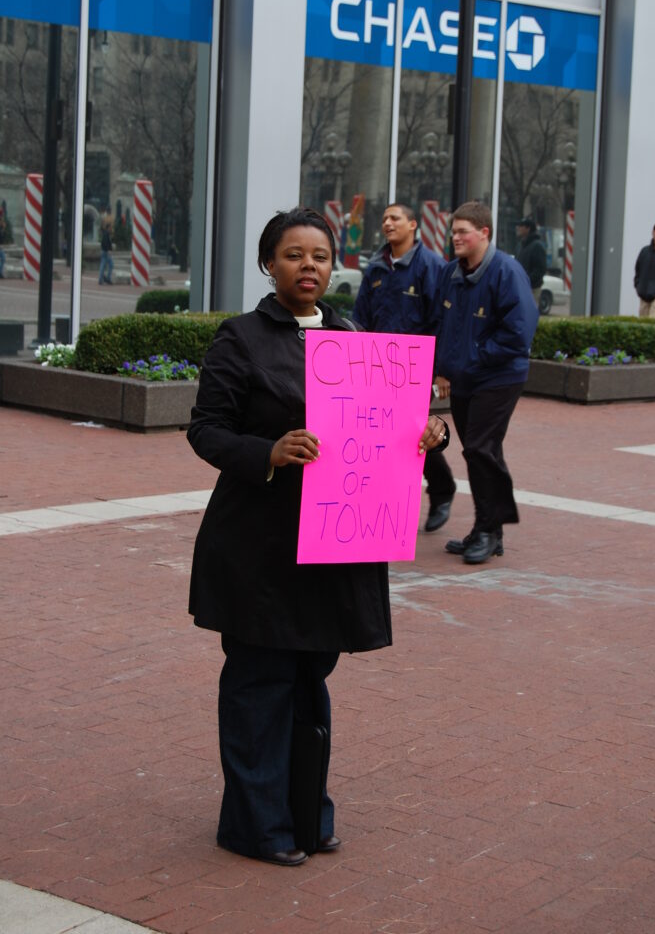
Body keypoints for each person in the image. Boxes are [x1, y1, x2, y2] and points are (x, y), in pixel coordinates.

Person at [187, 206, 448, 867]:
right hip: (260, 546)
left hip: (335, 543)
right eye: (294, 255)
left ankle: (305, 817)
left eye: (321, 256)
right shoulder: (240, 339)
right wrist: (267, 452)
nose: (309, 266)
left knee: (309, 680)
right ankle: (255, 827)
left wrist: (423, 436)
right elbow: (207, 430)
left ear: (335, 267)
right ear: (267, 264)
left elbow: (391, 423)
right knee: (259, 682)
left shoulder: (354, 335)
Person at [434, 201, 539, 565]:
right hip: (465, 377)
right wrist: (441, 367)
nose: (455, 237)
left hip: (498, 377)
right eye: (453, 231)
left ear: (484, 233)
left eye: (463, 231)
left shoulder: (507, 272)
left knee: (479, 447)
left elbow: (518, 333)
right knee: (482, 451)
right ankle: (490, 530)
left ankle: (487, 529)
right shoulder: (451, 273)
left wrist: (470, 360)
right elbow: (441, 324)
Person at [353, 203, 456, 533]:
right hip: (375, 367)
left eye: (394, 218)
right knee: (380, 434)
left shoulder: (431, 268)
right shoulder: (375, 268)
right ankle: (386, 503)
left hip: (414, 369)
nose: (387, 223)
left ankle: (441, 490)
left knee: (412, 433)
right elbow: (360, 318)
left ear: (413, 225)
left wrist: (439, 370)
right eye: (383, 218)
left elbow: (442, 321)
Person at [514, 216, 546, 307]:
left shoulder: (537, 246)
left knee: (529, 317)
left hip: (532, 290)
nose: (518, 228)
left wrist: (526, 282)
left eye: (521, 225)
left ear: (528, 228)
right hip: (520, 288)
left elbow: (540, 270)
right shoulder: (520, 246)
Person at [98, 216, 114, 285]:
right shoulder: (106, 234)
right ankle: (106, 278)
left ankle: (102, 279)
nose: (111, 229)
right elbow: (105, 242)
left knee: (104, 265)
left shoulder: (106, 234)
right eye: (110, 228)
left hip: (104, 251)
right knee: (109, 265)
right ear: (108, 228)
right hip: (106, 252)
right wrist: (108, 250)